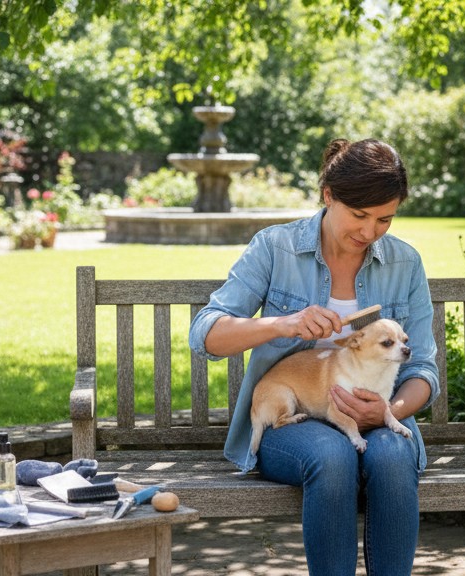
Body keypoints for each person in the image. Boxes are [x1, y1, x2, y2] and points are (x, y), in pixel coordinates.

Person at [188, 138, 439, 575]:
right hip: (296, 422)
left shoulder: (405, 263)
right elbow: (206, 334)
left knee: (394, 457)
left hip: (379, 415)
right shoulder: (275, 248)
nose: (369, 231)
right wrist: (282, 323)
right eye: (359, 215)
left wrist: (386, 412)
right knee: (332, 455)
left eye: (385, 219)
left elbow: (422, 371)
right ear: (328, 196)